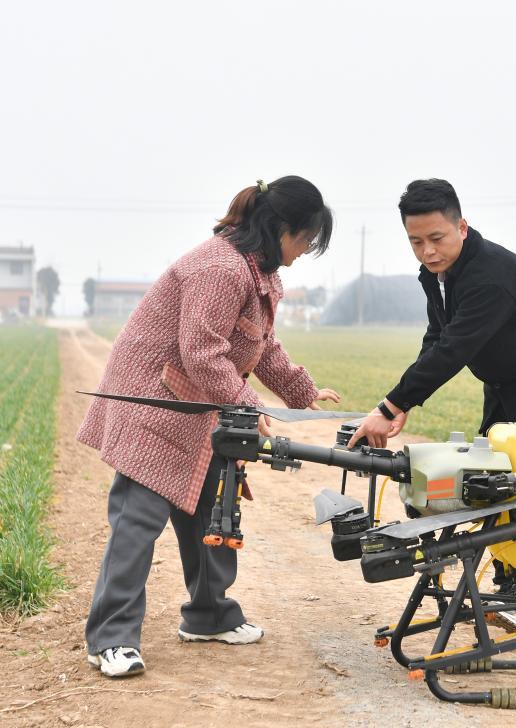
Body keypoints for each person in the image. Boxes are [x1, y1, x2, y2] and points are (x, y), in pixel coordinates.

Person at [77, 176, 341, 678]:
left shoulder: (257, 271)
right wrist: (247, 404)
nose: (306, 250)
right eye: (306, 239)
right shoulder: (220, 268)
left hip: (195, 405)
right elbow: (202, 351)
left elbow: (260, 345)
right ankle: (110, 638)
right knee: (139, 519)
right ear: (281, 227)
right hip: (154, 403)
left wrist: (301, 391)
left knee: (210, 511)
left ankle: (209, 616)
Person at [350, 178, 516, 601]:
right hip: (506, 380)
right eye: (415, 242)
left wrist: (390, 405)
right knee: (494, 479)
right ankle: (508, 579)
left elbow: (454, 349)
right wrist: (404, 404)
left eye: (436, 238)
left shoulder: (490, 277)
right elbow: (438, 336)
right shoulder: (438, 274)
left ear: (462, 227)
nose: (427, 250)